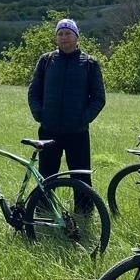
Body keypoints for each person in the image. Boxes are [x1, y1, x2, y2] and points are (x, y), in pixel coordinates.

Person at [26, 18, 105, 211]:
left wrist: (82, 118)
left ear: (77, 37)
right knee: (47, 174)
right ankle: (43, 210)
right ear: (56, 38)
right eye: (60, 33)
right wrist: (40, 114)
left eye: (68, 33)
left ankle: (84, 212)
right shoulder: (46, 61)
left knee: (81, 175)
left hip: (77, 132)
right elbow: (33, 92)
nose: (64, 37)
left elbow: (98, 98)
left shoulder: (89, 63)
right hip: (49, 130)